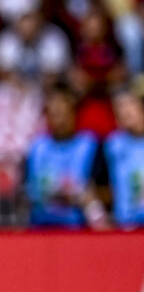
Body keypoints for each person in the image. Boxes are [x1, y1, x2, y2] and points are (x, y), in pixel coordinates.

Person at [23, 83, 108, 228]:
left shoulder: (91, 146)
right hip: (40, 230)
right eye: (54, 114)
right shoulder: (36, 148)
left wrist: (82, 197)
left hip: (78, 230)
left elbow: (108, 193)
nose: (59, 120)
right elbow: (22, 193)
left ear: (74, 112)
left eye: (63, 113)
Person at [101, 89, 144, 227]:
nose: (124, 111)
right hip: (124, 225)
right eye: (118, 107)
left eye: (129, 105)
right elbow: (101, 186)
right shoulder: (112, 145)